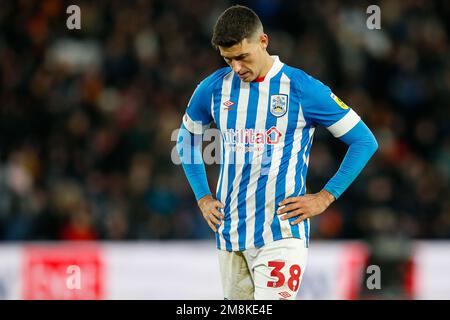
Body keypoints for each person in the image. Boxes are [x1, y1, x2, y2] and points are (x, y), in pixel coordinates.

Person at [176, 5, 378, 300]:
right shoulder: (212, 89)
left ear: (263, 42)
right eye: (228, 59)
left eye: (243, 57)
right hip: (229, 233)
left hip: (281, 234)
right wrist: (202, 196)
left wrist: (325, 196)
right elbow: (186, 140)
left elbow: (364, 141)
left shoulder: (301, 88)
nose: (237, 68)